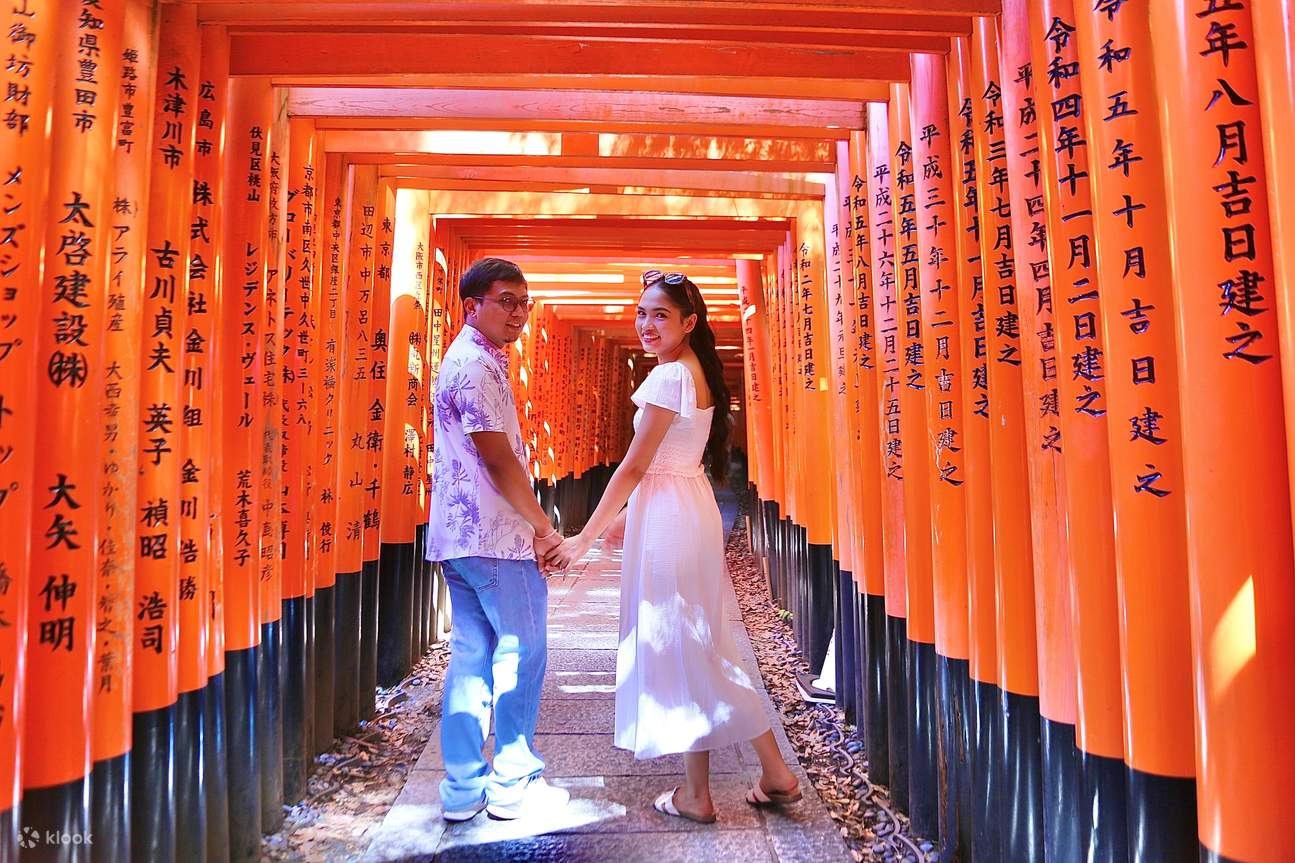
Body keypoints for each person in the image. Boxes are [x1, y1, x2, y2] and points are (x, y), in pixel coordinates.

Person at [545, 270, 802, 823]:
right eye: (641, 313)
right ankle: (763, 774)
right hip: (686, 507)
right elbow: (663, 463)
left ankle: (700, 794)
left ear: (689, 322)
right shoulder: (695, 372)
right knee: (701, 645)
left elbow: (636, 465)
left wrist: (584, 537)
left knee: (685, 645)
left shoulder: (668, 380)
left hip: (670, 518)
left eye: (660, 315)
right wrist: (622, 522)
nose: (646, 324)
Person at [427, 257, 569, 822]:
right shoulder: (475, 367)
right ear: (472, 306)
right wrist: (543, 526)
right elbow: (498, 459)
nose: (518, 313)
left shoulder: (476, 358)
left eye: (523, 303)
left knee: (471, 657)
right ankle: (512, 779)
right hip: (494, 538)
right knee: (521, 651)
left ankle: (462, 791)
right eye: (506, 300)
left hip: (460, 537)